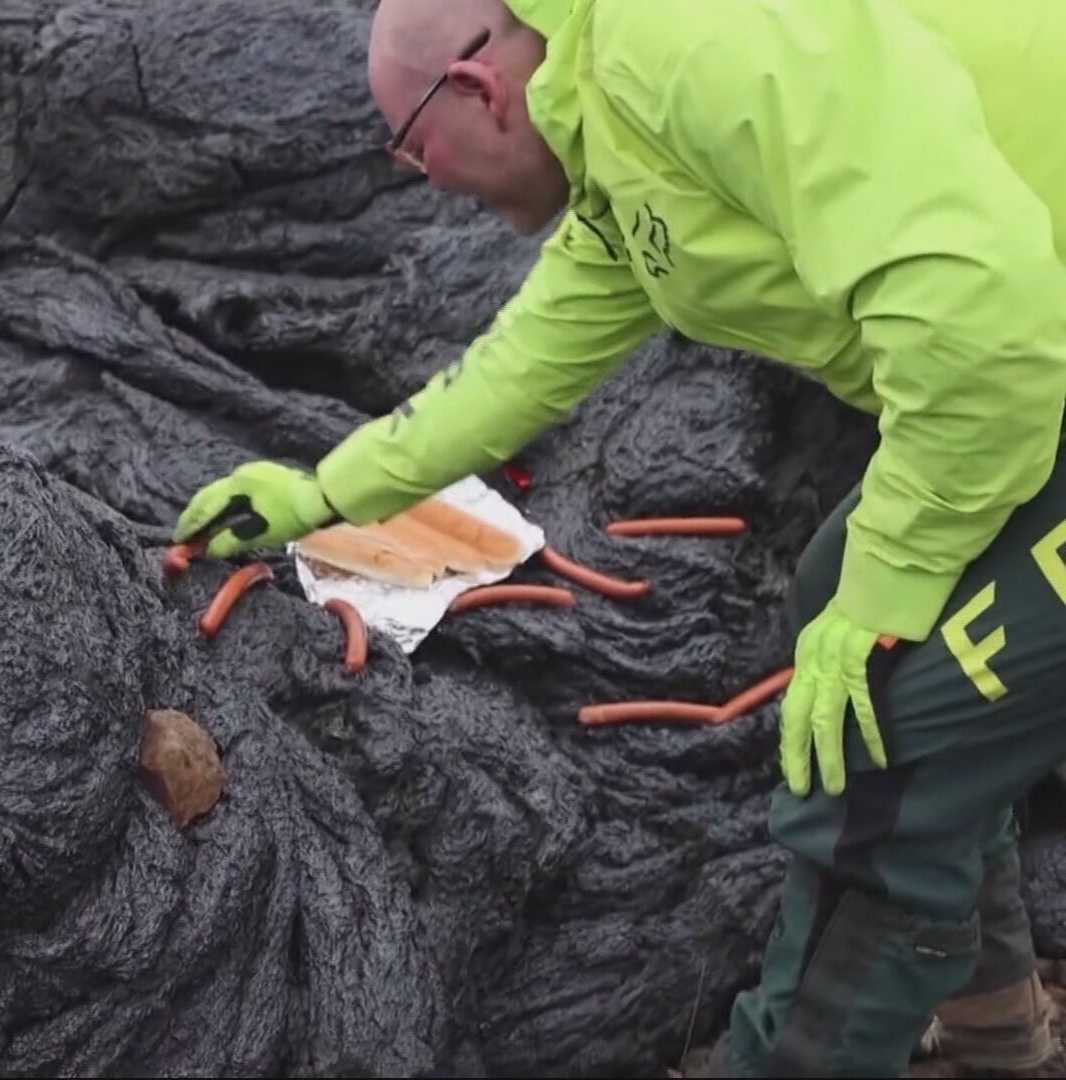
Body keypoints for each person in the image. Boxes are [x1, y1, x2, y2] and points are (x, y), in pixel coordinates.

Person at [170, 0, 1066, 1074]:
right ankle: (992, 1025)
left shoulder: (692, 48)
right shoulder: (615, 139)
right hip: (1029, 373)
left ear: (476, 89)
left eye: (408, 147)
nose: (420, 177)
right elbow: (517, 366)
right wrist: (321, 494)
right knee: (836, 595)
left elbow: (981, 318)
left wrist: (896, 583)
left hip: (1017, 357)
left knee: (881, 724)